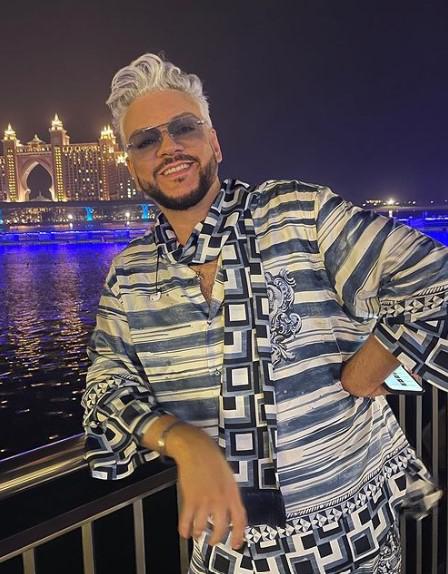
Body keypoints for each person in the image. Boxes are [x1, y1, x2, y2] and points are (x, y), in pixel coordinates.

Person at [82, 53, 448, 574]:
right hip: (229, 552)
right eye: (145, 140)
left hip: (350, 540)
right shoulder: (131, 275)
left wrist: (367, 372)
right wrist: (182, 440)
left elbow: (436, 279)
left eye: (184, 127)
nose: (168, 147)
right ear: (132, 165)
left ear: (214, 143)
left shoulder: (298, 215)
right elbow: (105, 386)